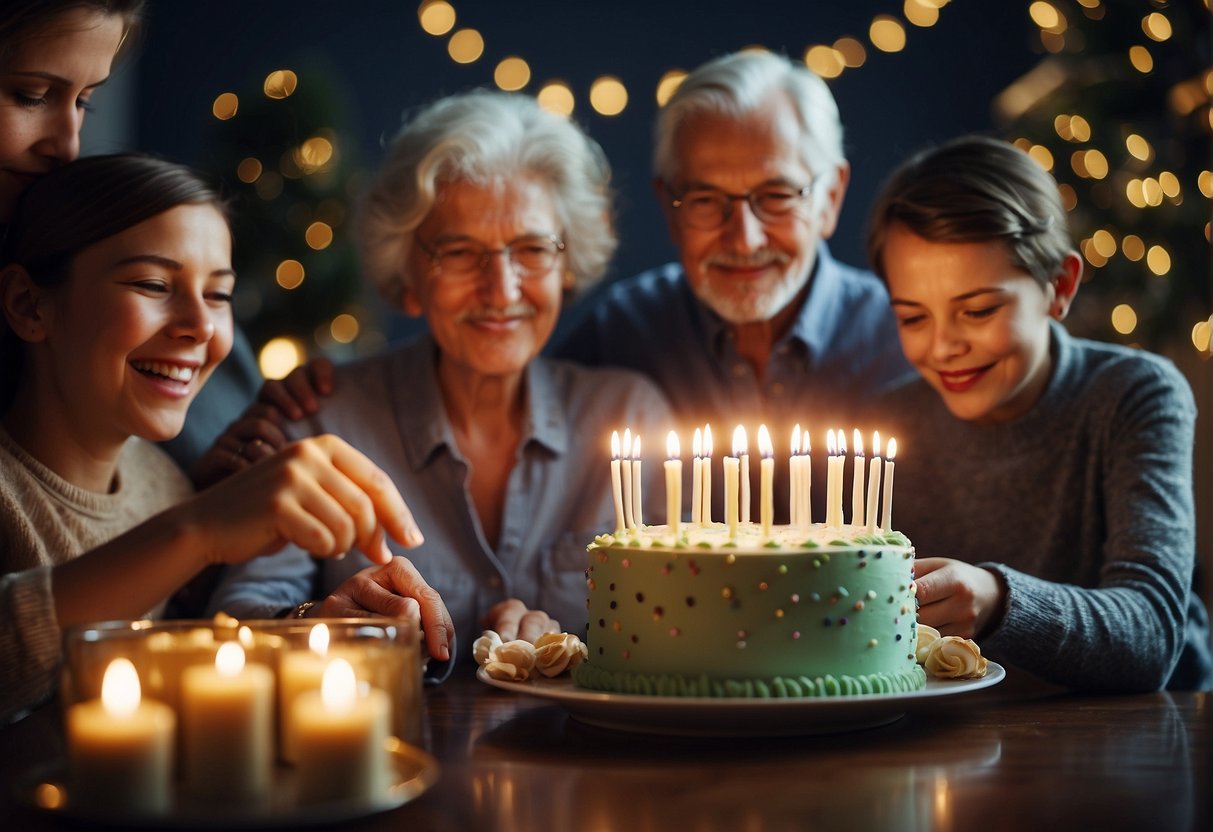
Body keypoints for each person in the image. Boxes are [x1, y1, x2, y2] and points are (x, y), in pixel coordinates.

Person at [206, 90, 673, 657]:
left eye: (530, 249)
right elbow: (236, 615)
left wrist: (579, 648)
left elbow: (688, 623)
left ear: (566, 264)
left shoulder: (631, 417)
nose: (501, 290)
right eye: (459, 252)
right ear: (407, 271)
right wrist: (321, 618)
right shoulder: (323, 419)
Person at [0, 153, 452, 722]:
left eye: (218, 295)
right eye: (152, 283)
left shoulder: (166, 487)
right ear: (27, 304)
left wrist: (315, 622)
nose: (201, 326)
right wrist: (201, 528)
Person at [866, 134, 1212, 692]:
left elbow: (1151, 636)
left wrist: (1000, 601)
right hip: (969, 745)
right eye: (912, 318)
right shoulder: (888, 424)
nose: (943, 346)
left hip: (1147, 737)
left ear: (1060, 286)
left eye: (977, 310)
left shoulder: (1134, 395)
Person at [554, 49, 912, 519]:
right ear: (669, 205)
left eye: (777, 195)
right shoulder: (621, 332)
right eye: (706, 199)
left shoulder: (907, 338)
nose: (744, 239)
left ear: (830, 198)